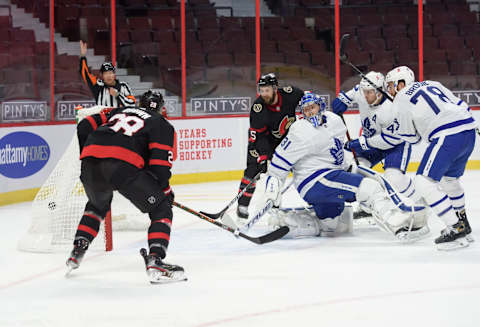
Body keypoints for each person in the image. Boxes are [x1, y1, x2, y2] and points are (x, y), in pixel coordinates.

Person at [258, 93, 426, 239]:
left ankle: (294, 223)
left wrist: (350, 167)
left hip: (331, 175)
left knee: (331, 224)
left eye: (313, 107)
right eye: (306, 110)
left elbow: (340, 149)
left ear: (320, 106)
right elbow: (280, 161)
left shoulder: (334, 120)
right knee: (369, 188)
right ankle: (396, 222)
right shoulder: (300, 130)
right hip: (316, 180)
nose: (310, 112)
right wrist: (272, 188)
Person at [66, 90, 186, 284]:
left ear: (139, 103)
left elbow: (85, 124)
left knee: (97, 205)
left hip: (90, 163)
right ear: (162, 108)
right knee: (162, 209)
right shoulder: (161, 124)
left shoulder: (118, 111)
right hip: (121, 167)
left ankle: (78, 249)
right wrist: (164, 191)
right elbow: (160, 166)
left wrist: (88, 152)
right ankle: (155, 260)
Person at [385, 65, 476, 250]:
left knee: (423, 181)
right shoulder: (432, 83)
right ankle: (463, 225)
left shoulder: (401, 99)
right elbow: (461, 105)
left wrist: (409, 127)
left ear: (401, 84)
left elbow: (412, 138)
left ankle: (455, 227)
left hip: (447, 135)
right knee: (449, 180)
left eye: (392, 85)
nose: (390, 90)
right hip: (468, 131)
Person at [331, 71, 420, 210]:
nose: (365, 95)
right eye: (364, 91)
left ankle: (419, 200)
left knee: (394, 179)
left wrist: (360, 143)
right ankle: (370, 206)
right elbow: (348, 96)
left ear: (379, 92)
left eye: (369, 92)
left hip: (395, 145)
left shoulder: (390, 109)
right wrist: (340, 101)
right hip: (372, 143)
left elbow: (388, 140)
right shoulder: (362, 92)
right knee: (357, 172)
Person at [237, 73, 304, 219]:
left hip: (285, 142)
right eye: (261, 90)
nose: (263, 94)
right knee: (253, 171)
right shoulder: (258, 108)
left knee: (281, 173)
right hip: (259, 143)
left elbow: (308, 99)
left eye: (266, 90)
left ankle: (275, 205)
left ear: (275, 89)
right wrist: (264, 157)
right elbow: (259, 137)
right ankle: (242, 206)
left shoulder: (290, 94)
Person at [79, 40, 136, 107]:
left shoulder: (123, 86)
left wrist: (117, 95)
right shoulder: (97, 85)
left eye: (110, 73)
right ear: (102, 75)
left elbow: (132, 104)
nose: (108, 76)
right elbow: (85, 73)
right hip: (102, 117)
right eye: (105, 73)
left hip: (118, 116)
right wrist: (83, 56)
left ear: (114, 74)